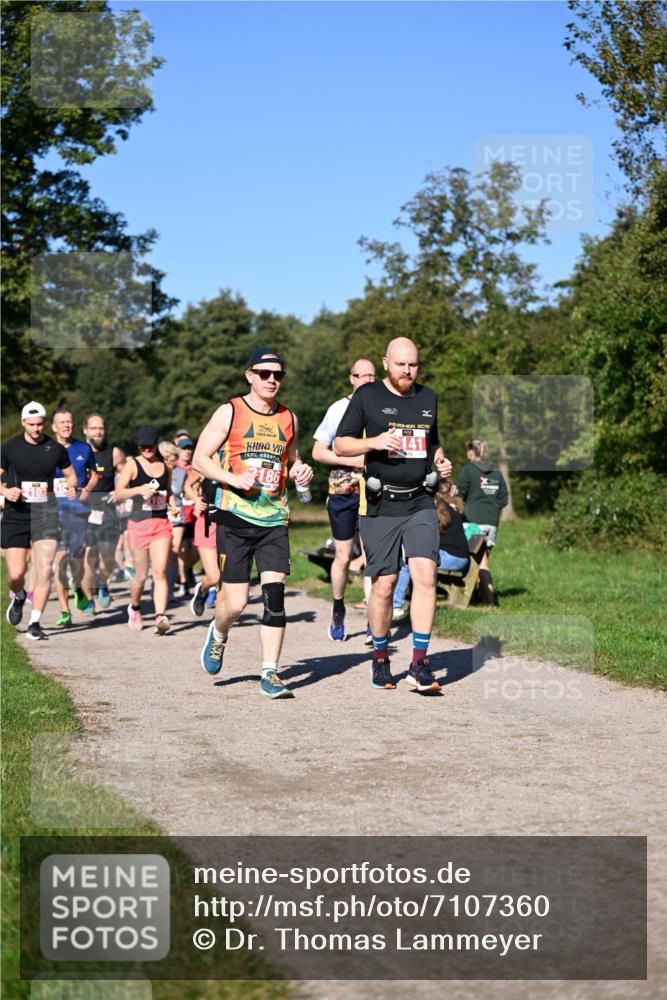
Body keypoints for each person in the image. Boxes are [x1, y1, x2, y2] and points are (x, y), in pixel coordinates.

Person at [193, 346, 313, 699]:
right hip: (234, 517)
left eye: (278, 375)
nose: (272, 380)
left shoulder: (289, 417)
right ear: (250, 376)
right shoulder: (230, 411)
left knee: (275, 597)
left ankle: (270, 672)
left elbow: (292, 461)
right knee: (236, 604)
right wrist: (232, 479)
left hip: (274, 519)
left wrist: (301, 472)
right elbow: (200, 459)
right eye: (264, 374)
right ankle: (218, 633)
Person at [335, 337, 452, 693]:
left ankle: (419, 663)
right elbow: (341, 443)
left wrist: (439, 458)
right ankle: (381, 657)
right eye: (401, 365)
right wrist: (373, 442)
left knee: (425, 576)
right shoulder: (367, 396)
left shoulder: (428, 397)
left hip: (420, 501)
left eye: (413, 365)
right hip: (381, 503)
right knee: (384, 585)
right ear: (386, 363)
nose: (407, 371)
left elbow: (432, 441)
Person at [1, 402, 78, 639]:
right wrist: (5, 491)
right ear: (23, 423)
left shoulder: (55, 449)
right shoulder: (9, 448)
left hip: (46, 514)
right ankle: (19, 595)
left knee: (44, 569)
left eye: (40, 424)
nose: (36, 429)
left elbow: (71, 474)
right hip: (16, 514)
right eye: (31, 424)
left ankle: (35, 623)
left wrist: (72, 487)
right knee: (16, 573)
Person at [312, 358, 376, 641]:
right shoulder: (338, 409)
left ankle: (375, 620)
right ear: (352, 378)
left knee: (373, 557)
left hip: (374, 492)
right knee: (343, 556)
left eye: (372, 376)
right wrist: (352, 460)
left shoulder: (383, 409)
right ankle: (338, 607)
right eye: (362, 376)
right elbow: (317, 452)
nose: (367, 381)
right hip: (342, 491)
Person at [114, 424, 173, 634]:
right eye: (143, 446)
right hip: (139, 524)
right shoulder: (132, 465)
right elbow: (119, 492)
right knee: (141, 575)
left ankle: (160, 617)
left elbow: (168, 491)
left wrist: (173, 504)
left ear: (157, 444)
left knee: (160, 571)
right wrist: (139, 489)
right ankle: (135, 607)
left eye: (150, 446)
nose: (146, 450)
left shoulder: (166, 466)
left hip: (161, 523)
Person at [51, 408, 99, 625]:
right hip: (53, 512)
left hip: (78, 511)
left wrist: (88, 488)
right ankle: (64, 610)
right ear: (54, 427)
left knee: (76, 561)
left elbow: (95, 475)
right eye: (62, 422)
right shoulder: (46, 449)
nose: (66, 425)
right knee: (60, 560)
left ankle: (77, 587)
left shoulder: (84, 448)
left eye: (69, 421)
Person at [82, 412, 126, 610]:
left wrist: (121, 493)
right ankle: (88, 598)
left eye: (101, 428)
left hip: (107, 510)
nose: (98, 432)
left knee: (108, 557)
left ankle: (103, 583)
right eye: (93, 428)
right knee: (88, 556)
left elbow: (127, 477)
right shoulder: (77, 452)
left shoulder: (114, 453)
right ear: (85, 430)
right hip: (83, 511)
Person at [457, 439, 508, 606]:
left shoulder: (468, 470)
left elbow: (460, 495)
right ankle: (476, 597)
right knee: (481, 560)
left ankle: (490, 602)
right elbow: (503, 499)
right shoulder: (496, 472)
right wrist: (491, 508)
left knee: (480, 562)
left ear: (471, 452)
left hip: (472, 522)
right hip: (492, 523)